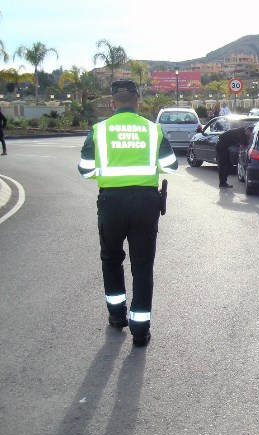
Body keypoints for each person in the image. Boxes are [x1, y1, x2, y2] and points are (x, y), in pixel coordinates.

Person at [78, 80, 178, 347]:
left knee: (111, 259)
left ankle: (117, 316)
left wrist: (107, 172)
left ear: (113, 104)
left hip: (111, 202)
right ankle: (140, 331)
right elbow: (171, 166)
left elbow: (86, 170)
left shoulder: (99, 131)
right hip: (146, 203)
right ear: (137, 102)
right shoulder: (152, 129)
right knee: (142, 266)